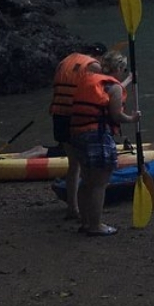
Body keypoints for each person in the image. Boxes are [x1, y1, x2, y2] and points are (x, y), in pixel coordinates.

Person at [70, 49, 140, 236]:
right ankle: (96, 226)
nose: (122, 73)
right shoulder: (113, 87)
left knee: (86, 181)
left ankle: (85, 222)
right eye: (123, 69)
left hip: (78, 134)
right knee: (99, 183)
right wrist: (133, 119)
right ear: (117, 68)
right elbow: (116, 115)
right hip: (98, 136)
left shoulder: (88, 80)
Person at [48, 42, 105, 220]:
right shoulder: (93, 65)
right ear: (98, 55)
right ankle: (88, 211)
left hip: (59, 116)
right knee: (86, 166)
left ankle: (73, 208)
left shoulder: (64, 62)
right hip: (77, 118)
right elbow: (99, 92)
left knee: (74, 164)